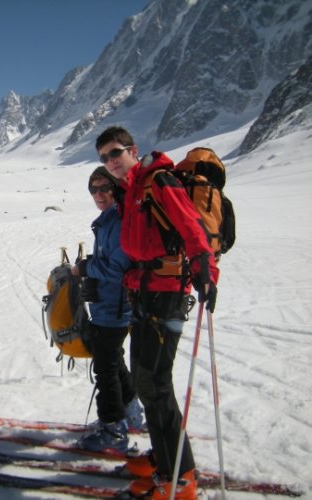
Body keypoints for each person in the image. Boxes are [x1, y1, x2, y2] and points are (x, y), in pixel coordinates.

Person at [94, 126, 218, 500]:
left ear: (132, 149)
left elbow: (191, 226)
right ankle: (168, 460)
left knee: (154, 385)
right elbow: (144, 247)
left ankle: (178, 477)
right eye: (103, 157)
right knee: (151, 385)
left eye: (115, 153)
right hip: (145, 295)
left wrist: (205, 271)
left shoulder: (157, 181)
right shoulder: (132, 188)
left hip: (166, 297)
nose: (110, 162)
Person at [72, 166, 143, 455]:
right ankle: (131, 414)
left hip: (115, 307)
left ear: (116, 189)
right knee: (114, 360)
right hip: (109, 305)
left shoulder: (118, 221)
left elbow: (117, 268)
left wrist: (86, 267)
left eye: (104, 188)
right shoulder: (108, 220)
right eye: (93, 189)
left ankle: (113, 429)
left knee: (104, 367)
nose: (99, 194)